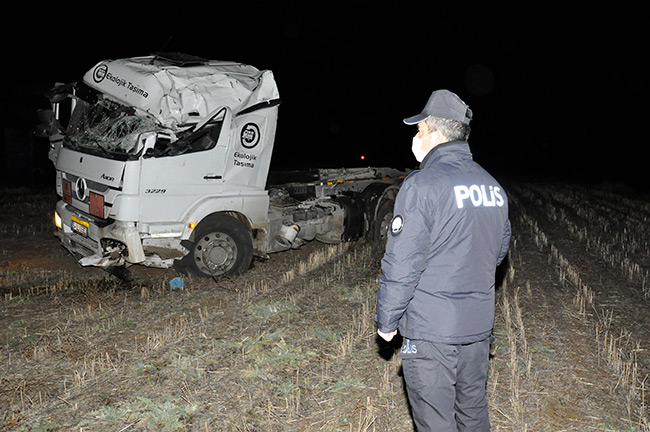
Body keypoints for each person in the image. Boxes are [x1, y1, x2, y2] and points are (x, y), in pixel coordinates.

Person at [376, 89, 511, 431]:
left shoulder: (423, 185)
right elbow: (498, 251)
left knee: (435, 422)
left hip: (432, 331)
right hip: (478, 329)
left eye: (419, 130)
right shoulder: (492, 186)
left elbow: (403, 262)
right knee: (473, 413)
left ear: (435, 133)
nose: (415, 137)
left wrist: (387, 320)